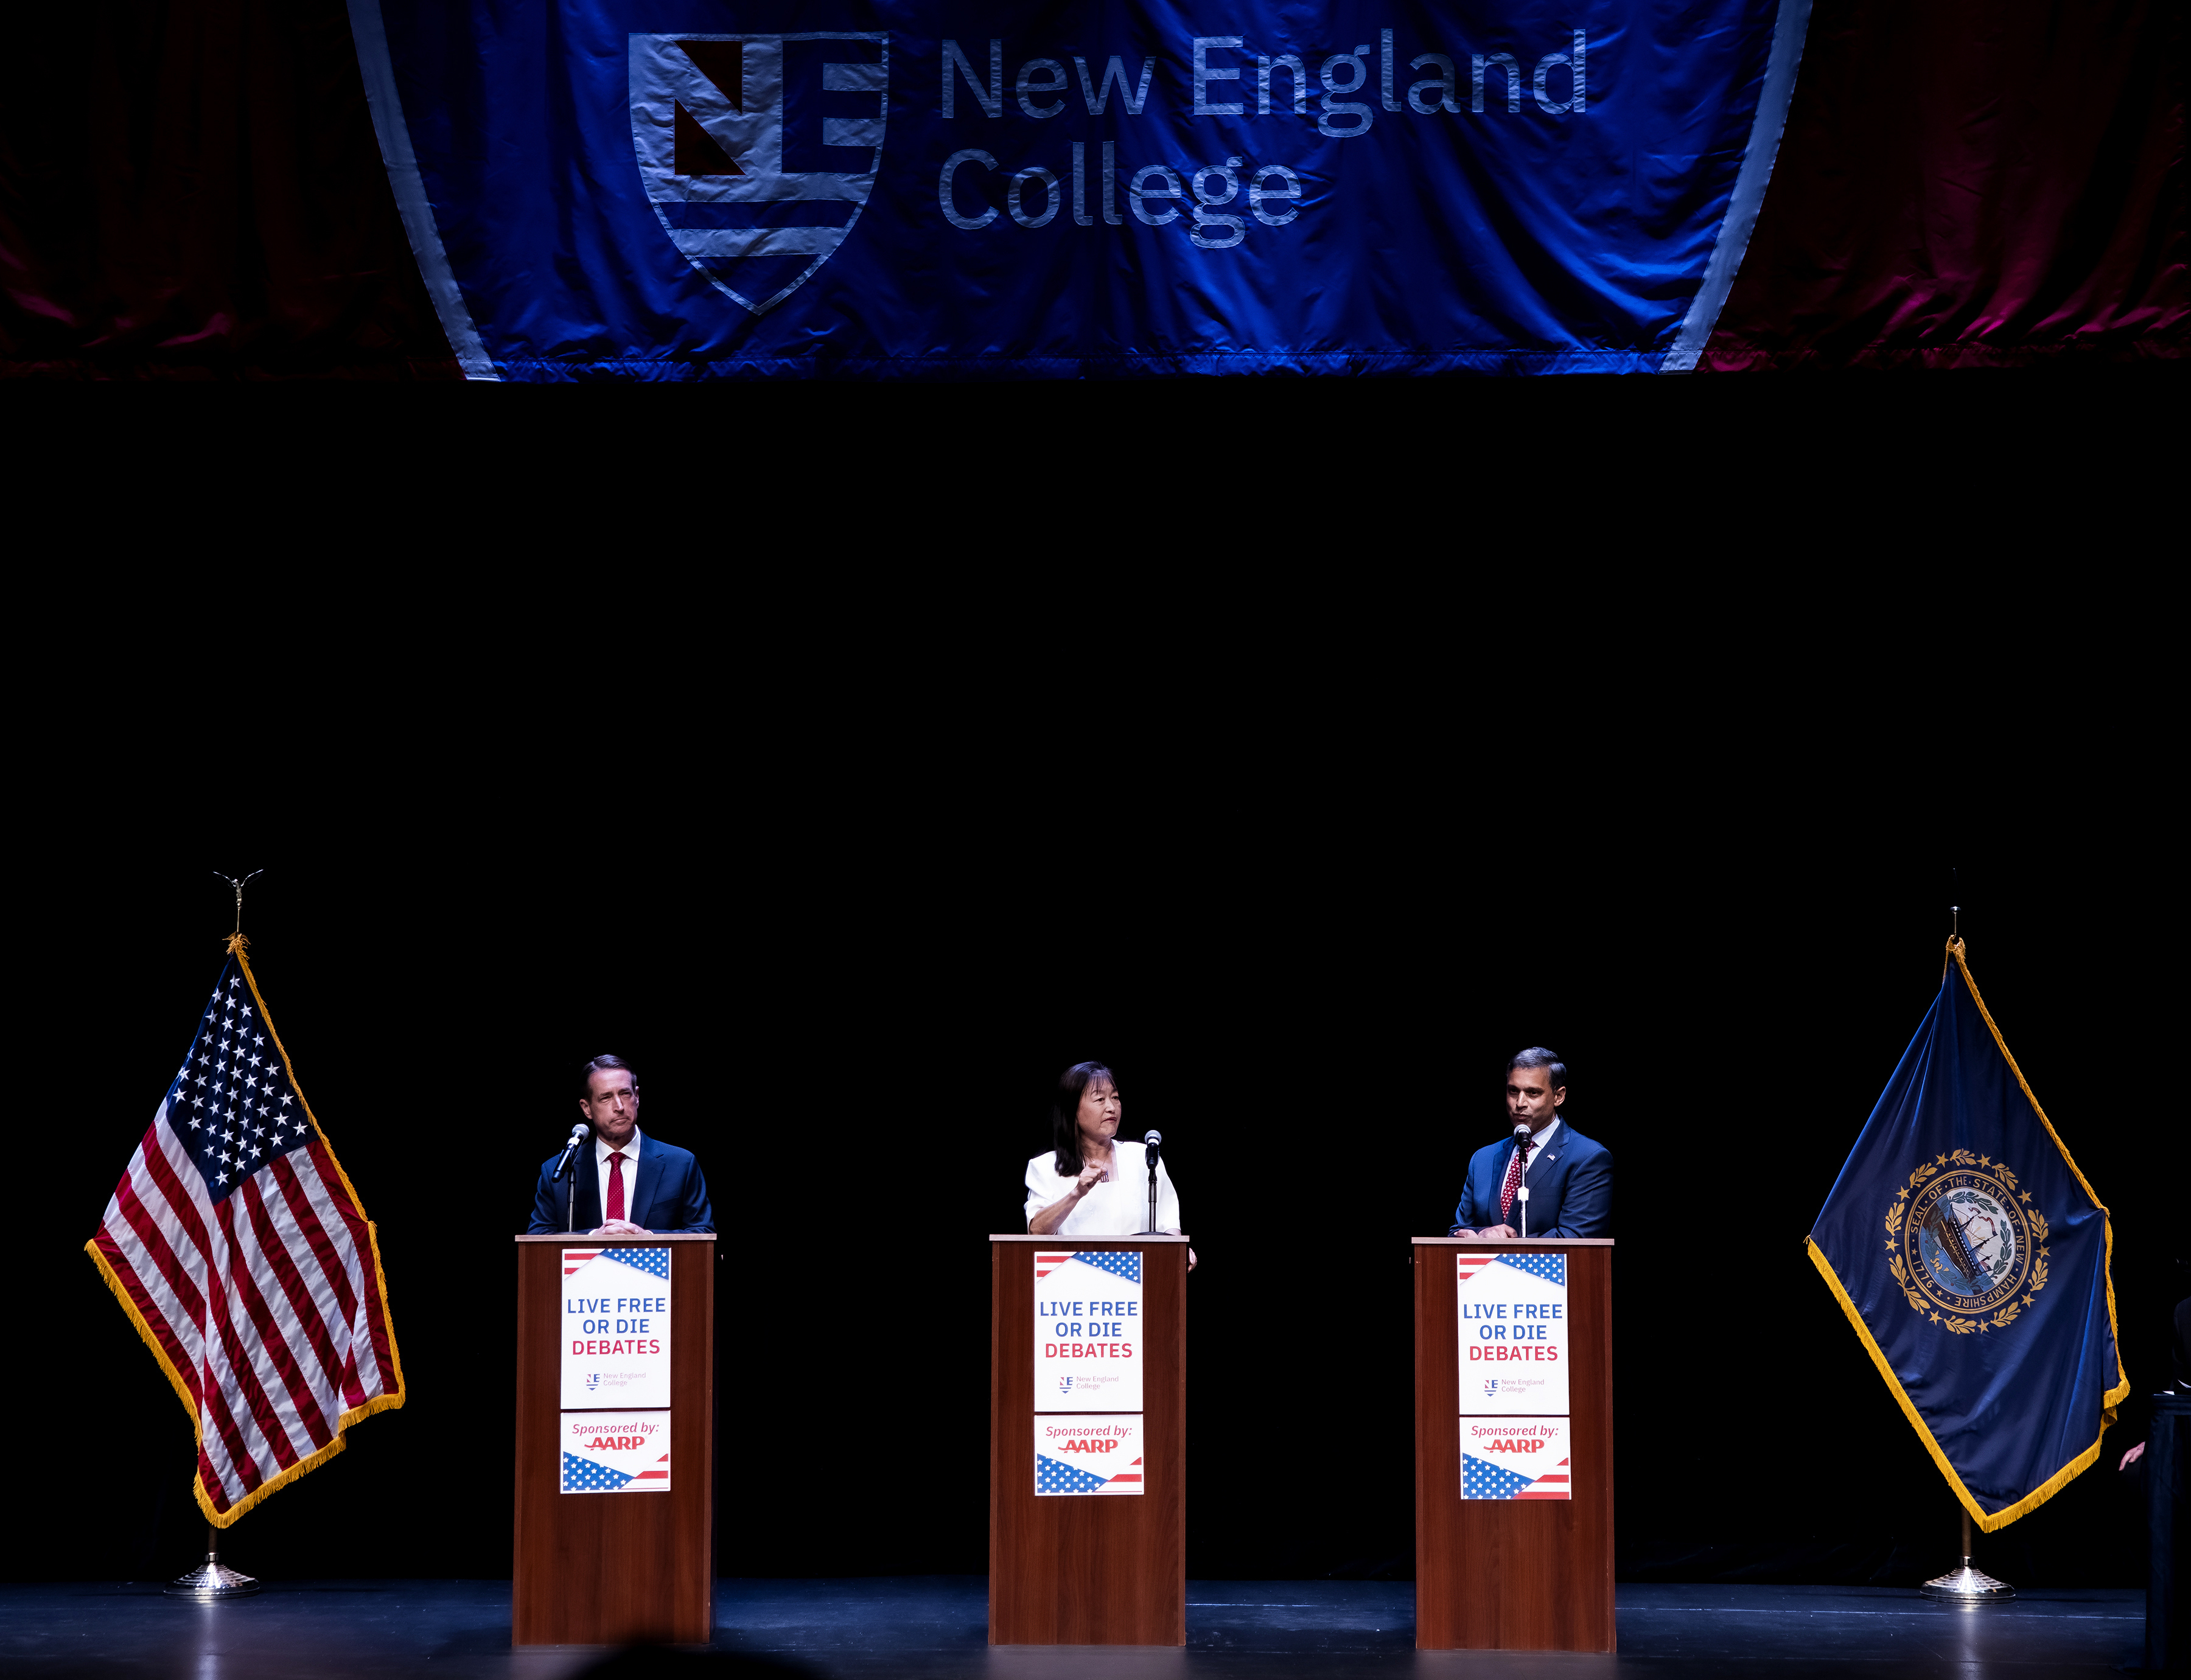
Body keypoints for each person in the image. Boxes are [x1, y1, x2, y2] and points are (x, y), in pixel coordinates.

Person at [1025, 1061, 1195, 1269]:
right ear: (1073, 1109)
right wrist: (1076, 1193)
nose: (1111, 1107)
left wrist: (1177, 1249)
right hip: (1073, 1284)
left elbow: (1168, 1221)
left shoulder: (1143, 1157)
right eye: (1099, 1099)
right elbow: (1036, 1232)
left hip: (1138, 1280)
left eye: (1115, 1097)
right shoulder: (1045, 1167)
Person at [528, 1054, 715, 1234]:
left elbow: (703, 1232)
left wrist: (648, 1237)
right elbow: (538, 1236)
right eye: (606, 1098)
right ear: (587, 1108)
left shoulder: (681, 1164)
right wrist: (592, 1238)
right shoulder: (558, 1172)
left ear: (637, 1096)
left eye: (625, 1094)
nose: (619, 1106)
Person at [1450, 1047, 1612, 1239]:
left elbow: (1576, 1237)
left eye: (1533, 1093)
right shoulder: (1483, 1159)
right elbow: (1457, 1234)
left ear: (1558, 1096)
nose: (1520, 1103)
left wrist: (1510, 1246)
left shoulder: (1588, 1157)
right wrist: (1485, 1233)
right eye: (1513, 1091)